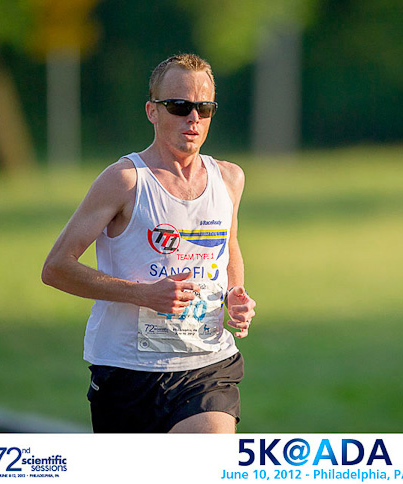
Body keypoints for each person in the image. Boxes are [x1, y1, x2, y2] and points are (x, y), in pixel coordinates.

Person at [42, 53, 256, 433]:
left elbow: (228, 245)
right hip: (126, 371)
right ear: (152, 111)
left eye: (204, 108)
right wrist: (144, 294)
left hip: (206, 366)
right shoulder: (124, 180)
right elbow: (56, 268)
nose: (193, 118)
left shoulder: (229, 179)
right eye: (179, 106)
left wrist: (234, 293)